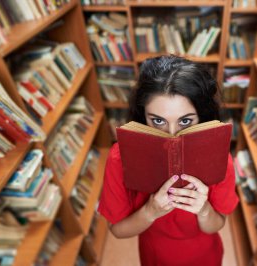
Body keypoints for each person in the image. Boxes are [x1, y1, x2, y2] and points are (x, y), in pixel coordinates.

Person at [98, 55, 239, 266]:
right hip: (155, 255)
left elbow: (216, 225)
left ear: (202, 116)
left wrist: (203, 209)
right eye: (157, 121)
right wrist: (150, 211)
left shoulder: (219, 159)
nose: (172, 135)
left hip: (205, 255)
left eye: (185, 121)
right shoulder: (120, 158)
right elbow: (117, 230)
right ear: (141, 115)